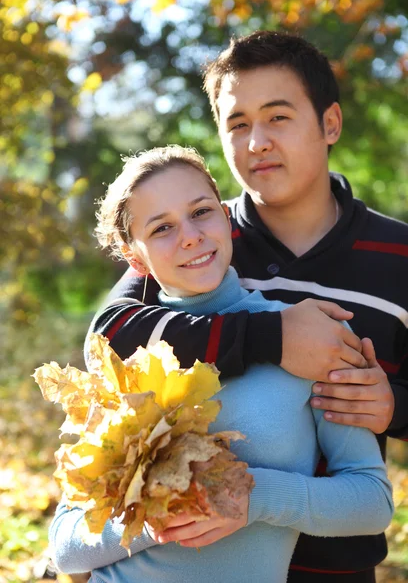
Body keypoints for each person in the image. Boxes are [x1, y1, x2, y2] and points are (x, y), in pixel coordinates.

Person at [85, 31, 408, 581]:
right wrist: (274, 338)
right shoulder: (197, 237)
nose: (256, 141)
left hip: (334, 566)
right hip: (178, 559)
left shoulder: (399, 256)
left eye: (278, 117)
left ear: (330, 124)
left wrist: (393, 407)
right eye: (237, 124)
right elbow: (111, 337)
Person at [49, 145, 393, 583]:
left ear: (227, 219)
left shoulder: (312, 339)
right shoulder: (125, 359)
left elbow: (371, 503)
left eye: (201, 212)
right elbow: (66, 545)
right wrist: (158, 512)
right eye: (162, 228)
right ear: (135, 257)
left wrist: (253, 498)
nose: (190, 236)